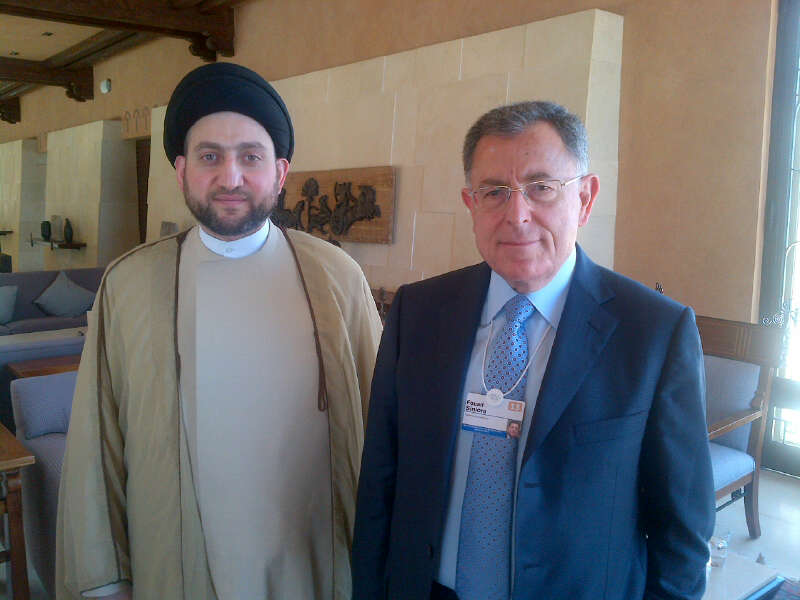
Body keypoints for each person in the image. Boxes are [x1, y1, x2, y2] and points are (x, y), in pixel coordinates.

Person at [351, 101, 715, 600]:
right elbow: (380, 480)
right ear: (471, 203)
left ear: (584, 198)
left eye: (541, 187)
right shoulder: (418, 312)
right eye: (494, 192)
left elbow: (682, 533)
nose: (517, 215)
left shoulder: (653, 332)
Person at [56, 62, 382, 600]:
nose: (231, 178)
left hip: (313, 564)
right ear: (181, 170)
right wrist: (105, 580)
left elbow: (379, 426)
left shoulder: (337, 277)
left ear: (280, 172)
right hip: (178, 565)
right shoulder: (129, 283)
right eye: (210, 156)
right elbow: (98, 443)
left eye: (250, 157)